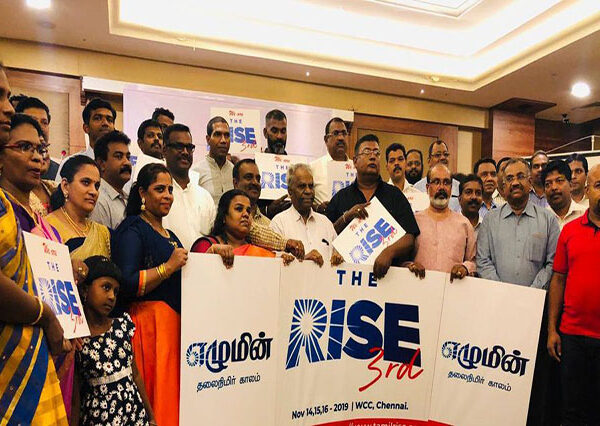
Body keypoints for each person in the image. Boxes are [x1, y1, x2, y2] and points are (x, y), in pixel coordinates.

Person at [0, 62, 70, 424]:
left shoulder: (39, 219)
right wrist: (46, 315)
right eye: (23, 147)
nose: (37, 156)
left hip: (40, 353)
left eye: (40, 148)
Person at [112, 163, 187, 426]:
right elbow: (127, 282)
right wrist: (167, 268)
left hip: (173, 328)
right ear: (142, 193)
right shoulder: (133, 228)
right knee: (156, 402)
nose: (167, 195)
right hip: (148, 327)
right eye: (160, 189)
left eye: (170, 190)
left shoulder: (171, 235)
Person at [72, 256, 155, 426]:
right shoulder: (77, 338)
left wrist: (151, 417)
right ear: (85, 290)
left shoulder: (122, 326)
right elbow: (75, 394)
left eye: (116, 292)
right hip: (99, 419)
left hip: (134, 416)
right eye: (106, 287)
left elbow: (135, 374)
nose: (111, 296)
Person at [547, 164, 600, 425]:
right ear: (587, 190)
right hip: (572, 336)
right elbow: (558, 280)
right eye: (599, 186)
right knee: (571, 410)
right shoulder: (569, 231)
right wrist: (552, 330)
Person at [326, 134, 420, 279]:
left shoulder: (395, 195)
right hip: (347, 279)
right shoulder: (341, 197)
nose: (373, 157)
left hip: (388, 279)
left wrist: (389, 252)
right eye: (367, 152)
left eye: (376, 153)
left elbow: (410, 237)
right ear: (355, 161)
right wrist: (346, 217)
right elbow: (325, 235)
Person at [477, 157, 559, 287]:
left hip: (536, 296)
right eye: (510, 179)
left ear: (530, 182)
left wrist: (531, 291)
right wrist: (501, 291)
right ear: (503, 186)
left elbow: (552, 262)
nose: (515, 183)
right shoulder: (490, 220)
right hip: (496, 296)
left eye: (520, 177)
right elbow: (483, 261)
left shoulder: (549, 220)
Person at [405, 164, 476, 281]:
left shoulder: (464, 224)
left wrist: (465, 268)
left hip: (453, 288)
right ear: (427, 187)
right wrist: (410, 265)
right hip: (418, 287)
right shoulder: (414, 221)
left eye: (446, 182)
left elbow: (473, 261)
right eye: (436, 182)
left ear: (451, 188)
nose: (441, 187)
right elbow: (401, 261)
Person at [191, 189, 295, 266]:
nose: (246, 214)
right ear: (224, 217)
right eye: (239, 209)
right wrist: (212, 252)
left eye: (248, 211)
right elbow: (195, 277)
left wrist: (281, 263)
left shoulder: (257, 251)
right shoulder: (206, 245)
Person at [271, 164, 343, 266]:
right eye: (302, 186)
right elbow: (275, 265)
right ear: (290, 191)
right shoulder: (279, 223)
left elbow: (339, 257)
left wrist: (338, 258)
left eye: (311, 186)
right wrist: (304, 260)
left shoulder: (326, 223)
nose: (308, 191)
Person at [232, 158, 305, 258]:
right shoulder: (228, 212)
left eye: (258, 179)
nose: (255, 182)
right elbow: (252, 231)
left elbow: (275, 257)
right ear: (235, 183)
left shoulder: (269, 224)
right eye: (249, 177)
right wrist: (286, 243)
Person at [46, 155, 111, 260]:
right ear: (65, 186)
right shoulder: (48, 227)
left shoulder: (103, 233)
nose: (94, 192)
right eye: (86, 182)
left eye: (97, 186)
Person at [162, 123, 216, 249]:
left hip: (202, 260)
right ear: (164, 150)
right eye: (179, 147)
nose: (185, 152)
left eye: (189, 147)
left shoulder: (205, 196)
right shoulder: (157, 194)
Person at [56, 98, 116, 180]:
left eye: (109, 120)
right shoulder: (70, 164)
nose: (105, 123)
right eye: (98, 118)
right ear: (86, 128)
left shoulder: (124, 167)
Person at [90, 130, 132, 229]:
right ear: (101, 164)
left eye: (128, 157)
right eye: (119, 156)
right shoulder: (98, 200)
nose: (127, 162)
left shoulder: (127, 197)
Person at [310, 117, 355, 208]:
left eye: (344, 133)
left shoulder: (356, 167)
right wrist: (317, 208)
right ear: (326, 139)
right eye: (336, 133)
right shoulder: (313, 168)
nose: (341, 138)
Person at [15, 96, 59, 179]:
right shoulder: (9, 165)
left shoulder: (59, 171)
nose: (40, 127)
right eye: (33, 121)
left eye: (44, 122)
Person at [192, 116, 234, 205]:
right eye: (218, 134)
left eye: (226, 135)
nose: (223, 140)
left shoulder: (235, 171)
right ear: (208, 139)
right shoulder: (196, 172)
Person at [413, 140, 460, 211]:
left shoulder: (458, 187)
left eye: (446, 154)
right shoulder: (417, 188)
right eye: (438, 155)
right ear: (429, 161)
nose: (443, 158)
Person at [543, 160, 586, 230]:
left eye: (559, 181)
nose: (554, 187)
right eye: (548, 184)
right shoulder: (540, 219)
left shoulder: (585, 214)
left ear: (570, 185)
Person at [131, 119, 165, 184]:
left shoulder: (171, 167)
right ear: (140, 143)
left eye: (160, 136)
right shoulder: (132, 168)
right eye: (150, 135)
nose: (156, 139)